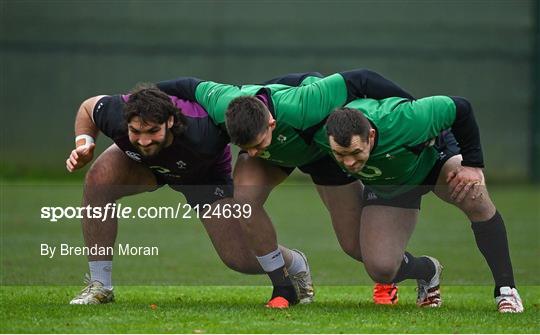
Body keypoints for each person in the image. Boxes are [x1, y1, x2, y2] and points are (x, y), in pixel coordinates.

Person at [157, 69, 414, 307]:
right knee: (244, 202)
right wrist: (138, 99)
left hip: (322, 153)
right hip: (279, 156)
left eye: (257, 144)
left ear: (271, 124)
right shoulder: (222, 102)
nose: (253, 152)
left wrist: (409, 107)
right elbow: (186, 85)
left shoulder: (307, 103)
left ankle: (413, 273)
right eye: (246, 147)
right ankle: (283, 287)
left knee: (357, 248)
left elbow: (363, 79)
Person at [65, 86, 313, 305]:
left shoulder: (205, 131)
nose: (143, 139)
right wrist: (83, 143)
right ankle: (100, 285)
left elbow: (248, 120)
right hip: (147, 165)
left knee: (239, 258)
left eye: (152, 131)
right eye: (135, 131)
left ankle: (294, 262)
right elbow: (88, 108)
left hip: (202, 176)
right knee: (98, 180)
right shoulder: (115, 113)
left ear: (170, 121)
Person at [317, 95, 523, 313]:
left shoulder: (406, 120)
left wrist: (473, 164)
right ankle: (427, 271)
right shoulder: (322, 135)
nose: (349, 162)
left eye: (356, 152)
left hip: (434, 162)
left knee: (475, 196)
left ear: (371, 135)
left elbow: (461, 107)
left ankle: (506, 290)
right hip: (391, 184)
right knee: (382, 268)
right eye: (342, 155)